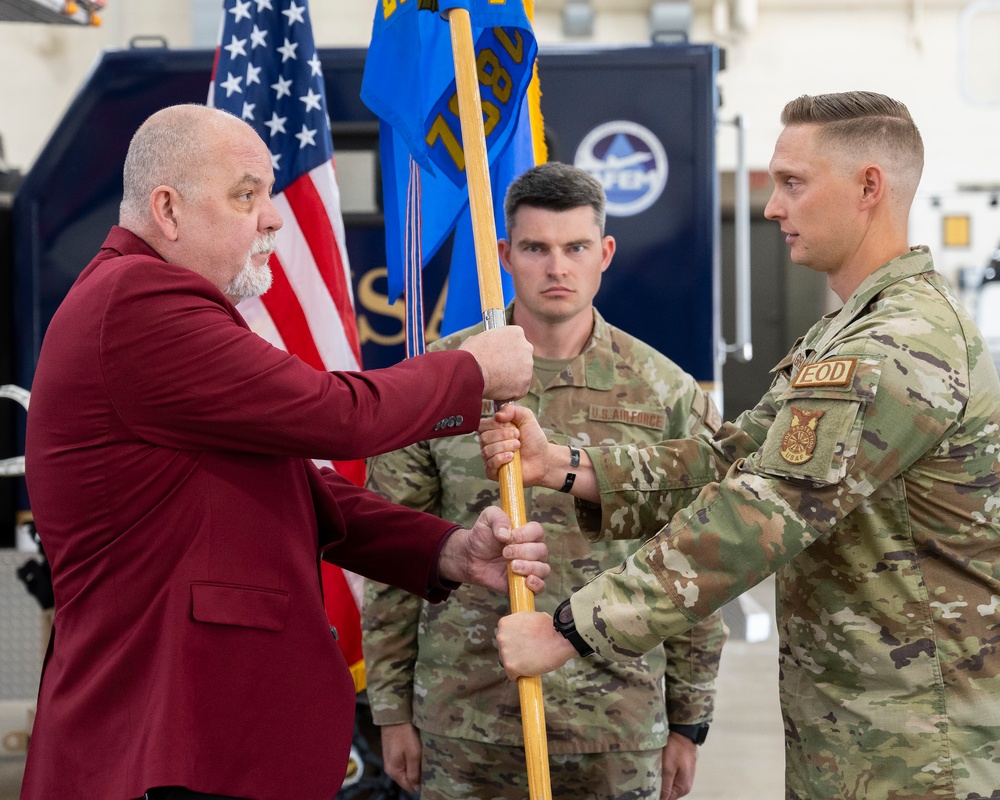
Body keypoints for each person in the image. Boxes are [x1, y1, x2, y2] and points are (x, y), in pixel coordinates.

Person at [20, 103, 550, 800]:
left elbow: (298, 486)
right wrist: (473, 370)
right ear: (168, 209)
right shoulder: (139, 303)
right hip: (169, 741)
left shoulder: (147, 304)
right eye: (247, 195)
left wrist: (446, 550)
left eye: (269, 193)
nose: (273, 218)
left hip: (202, 740)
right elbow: (339, 416)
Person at [483, 92, 1000, 799]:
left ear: (868, 188)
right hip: (861, 735)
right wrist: (566, 467)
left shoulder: (897, 346)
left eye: (793, 183)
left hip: (919, 755)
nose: (771, 207)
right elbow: (729, 459)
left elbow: (758, 512)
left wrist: (572, 629)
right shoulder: (847, 333)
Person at [362, 162, 726, 800]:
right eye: (535, 248)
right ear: (504, 253)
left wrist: (688, 719)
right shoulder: (440, 383)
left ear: (605, 253)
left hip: (616, 722)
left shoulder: (668, 394)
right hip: (466, 717)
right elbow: (393, 549)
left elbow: (697, 560)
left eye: (576, 248)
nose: (557, 267)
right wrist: (391, 710)